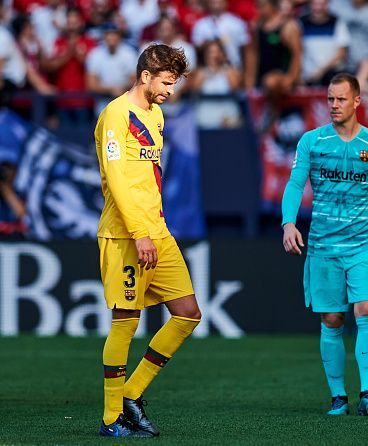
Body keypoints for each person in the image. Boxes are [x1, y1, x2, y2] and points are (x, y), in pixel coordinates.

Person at [281, 72, 368, 416]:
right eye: (330, 99)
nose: (334, 105)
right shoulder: (311, 141)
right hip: (323, 245)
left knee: (366, 309)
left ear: (357, 101)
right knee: (333, 319)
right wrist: (288, 222)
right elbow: (295, 184)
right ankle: (339, 396)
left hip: (364, 244)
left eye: (340, 99)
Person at [94, 43, 201, 437]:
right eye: (167, 83)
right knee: (126, 321)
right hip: (126, 234)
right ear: (145, 76)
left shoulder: (155, 115)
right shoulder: (115, 116)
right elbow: (119, 182)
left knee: (188, 313)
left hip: (157, 230)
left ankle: (131, 394)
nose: (170, 92)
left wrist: (152, 229)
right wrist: (139, 233)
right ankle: (110, 419)